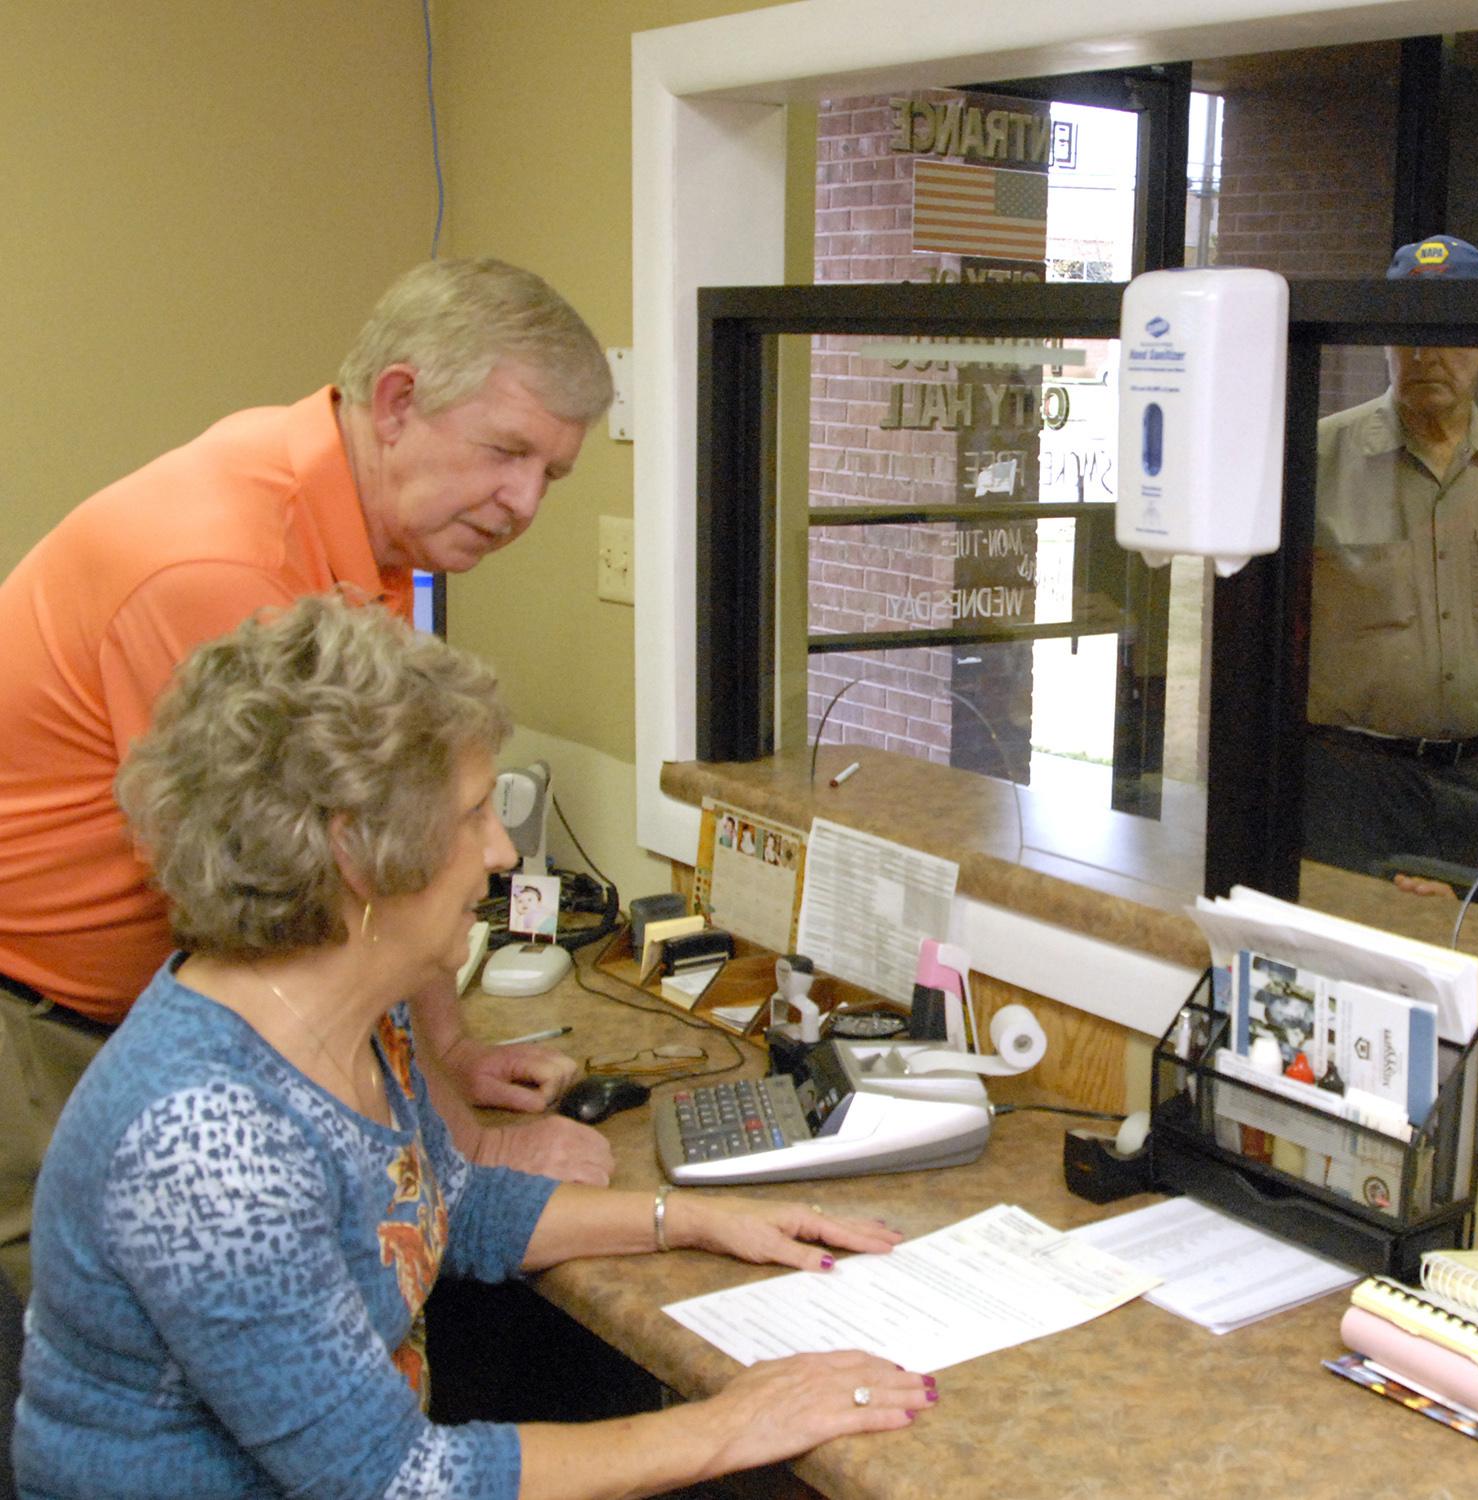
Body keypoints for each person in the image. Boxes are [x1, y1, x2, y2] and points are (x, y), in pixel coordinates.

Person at [12, 597, 934, 1499]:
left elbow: (444, 1201)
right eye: (472, 814)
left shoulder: (357, 1012)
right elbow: (396, 1481)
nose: (500, 850)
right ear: (357, 852)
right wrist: (731, 1423)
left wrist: (692, 1219)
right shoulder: (209, 1142)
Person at [0, 258, 616, 1294]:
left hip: (157, 1012)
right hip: (42, 1033)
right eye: (506, 452)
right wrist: (463, 1156)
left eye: (550, 474)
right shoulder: (223, 566)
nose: (522, 503)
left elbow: (394, 833)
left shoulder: (347, 523)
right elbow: (318, 906)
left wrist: (453, 1055)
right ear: (397, 402)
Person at [1305, 233, 1478, 920]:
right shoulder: (1316, 459)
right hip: (1351, 775)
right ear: (1383, 341)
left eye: (1448, 331)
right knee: (1351, 940)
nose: (1426, 355)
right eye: (1407, 333)